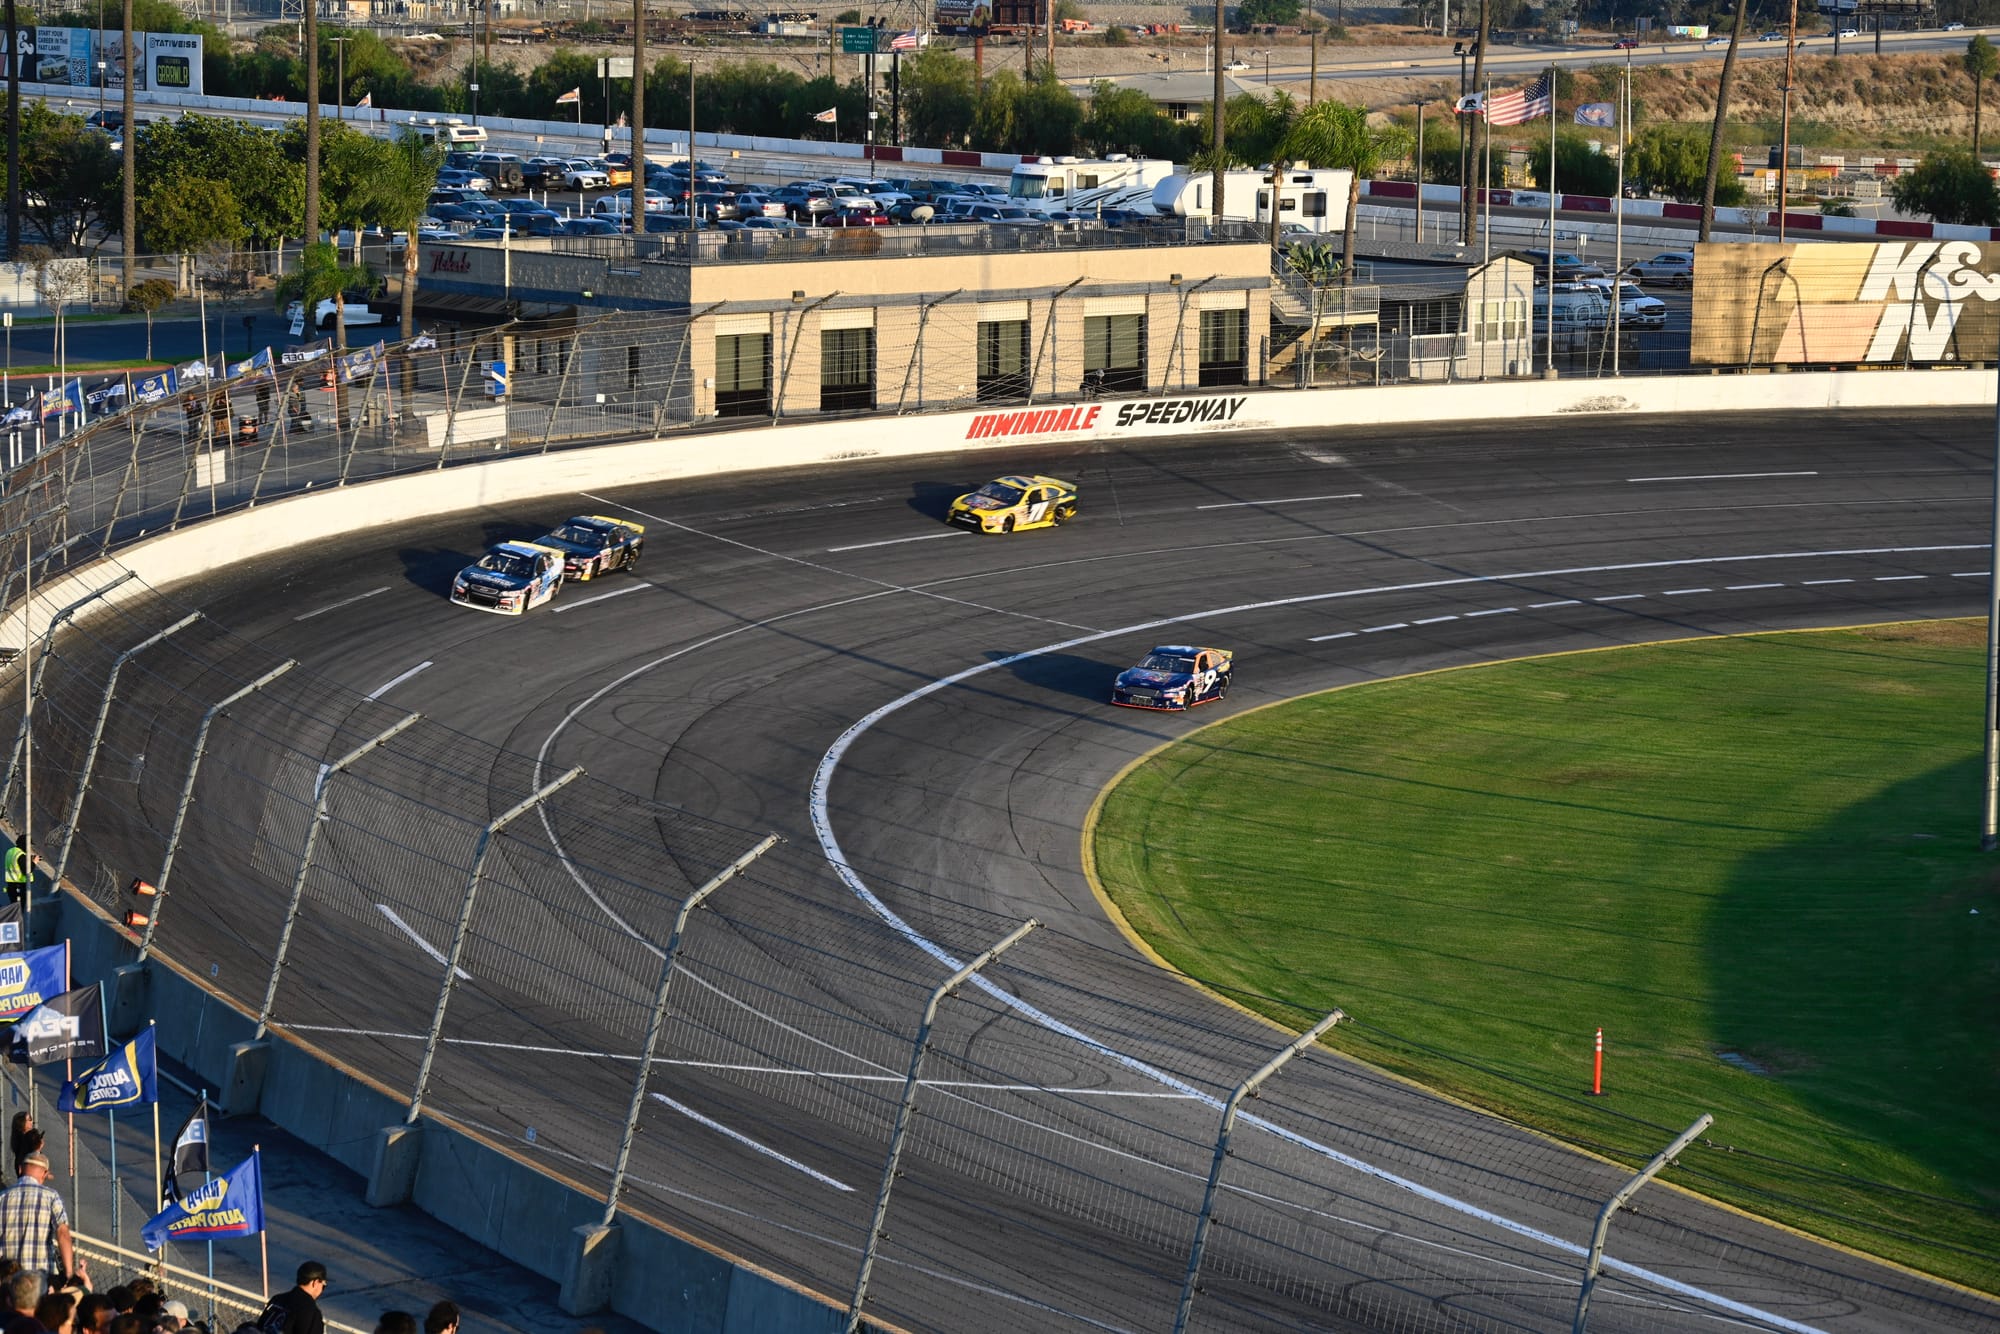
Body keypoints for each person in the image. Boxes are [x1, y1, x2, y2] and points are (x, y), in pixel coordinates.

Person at [0, 1155, 79, 1287]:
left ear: (20, 1169)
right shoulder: (51, 1196)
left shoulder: (2, 1197)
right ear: (45, 1174)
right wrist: (68, 1273)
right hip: (40, 1279)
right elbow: (62, 1232)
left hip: (9, 1279)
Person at [253, 1263, 324, 1334]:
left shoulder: (277, 1299)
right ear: (315, 1282)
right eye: (323, 1285)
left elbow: (260, 1327)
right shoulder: (311, 1310)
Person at [3, 841, 30, 906]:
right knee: (18, 905)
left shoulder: (10, 852)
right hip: (18, 883)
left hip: (13, 883)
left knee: (15, 903)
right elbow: (26, 870)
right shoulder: (19, 855)